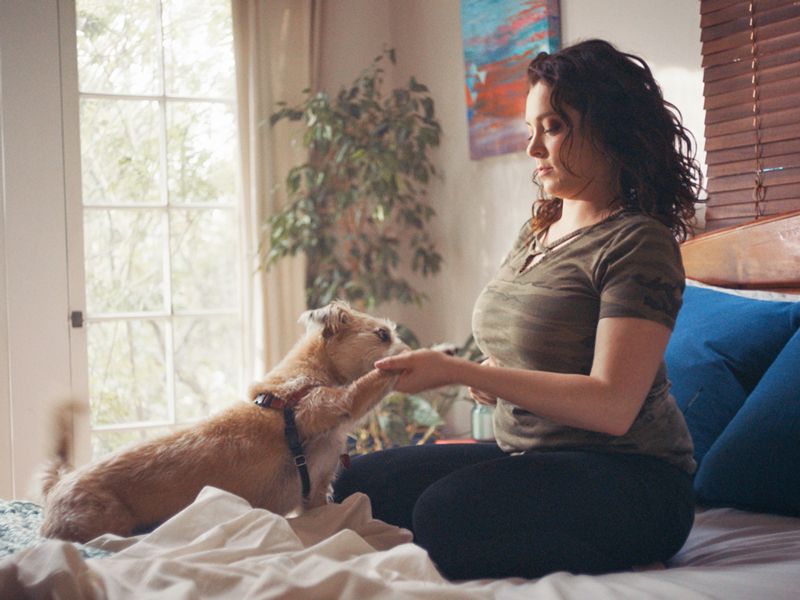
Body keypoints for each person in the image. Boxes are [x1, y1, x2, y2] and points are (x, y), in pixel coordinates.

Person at [332, 38, 703, 581]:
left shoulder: (637, 242)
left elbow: (612, 405)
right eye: (531, 129)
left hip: (633, 477)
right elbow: (515, 360)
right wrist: (485, 376)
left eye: (552, 127)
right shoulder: (538, 231)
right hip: (525, 454)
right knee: (354, 487)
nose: (532, 149)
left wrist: (462, 372)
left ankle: (608, 544)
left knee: (444, 516)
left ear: (610, 127)